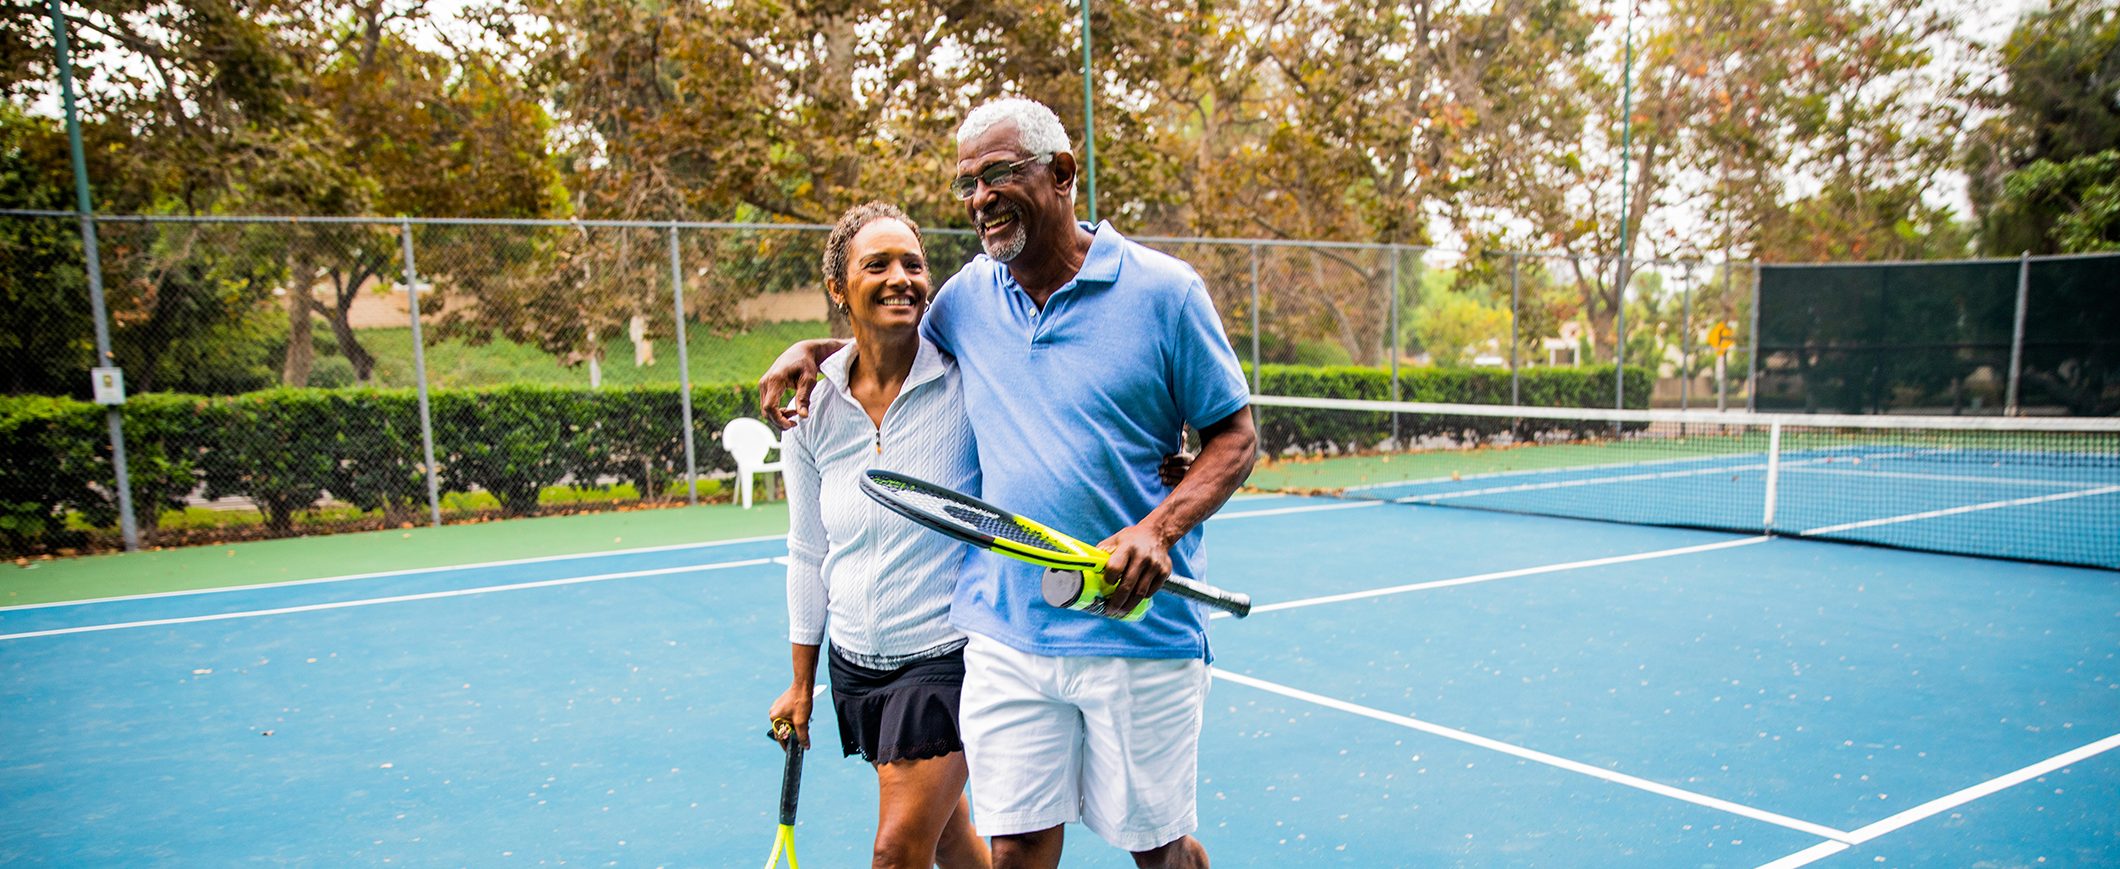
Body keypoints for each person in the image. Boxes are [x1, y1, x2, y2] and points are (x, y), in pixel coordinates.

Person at [760, 98, 1258, 869]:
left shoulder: (1167, 293)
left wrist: (1158, 528)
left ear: (1062, 174)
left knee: (1157, 849)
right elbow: (887, 334)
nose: (980, 198)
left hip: (1136, 627)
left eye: (998, 174)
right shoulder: (967, 298)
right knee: (1017, 846)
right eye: (968, 184)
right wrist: (807, 350)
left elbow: (1236, 436)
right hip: (1006, 629)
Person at [766, 202, 991, 869]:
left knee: (896, 850)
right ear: (839, 288)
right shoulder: (812, 408)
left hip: (947, 654)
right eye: (878, 264)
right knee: (948, 835)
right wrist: (802, 682)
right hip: (858, 664)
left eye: (914, 263)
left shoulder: (967, 377)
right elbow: (808, 551)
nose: (902, 277)